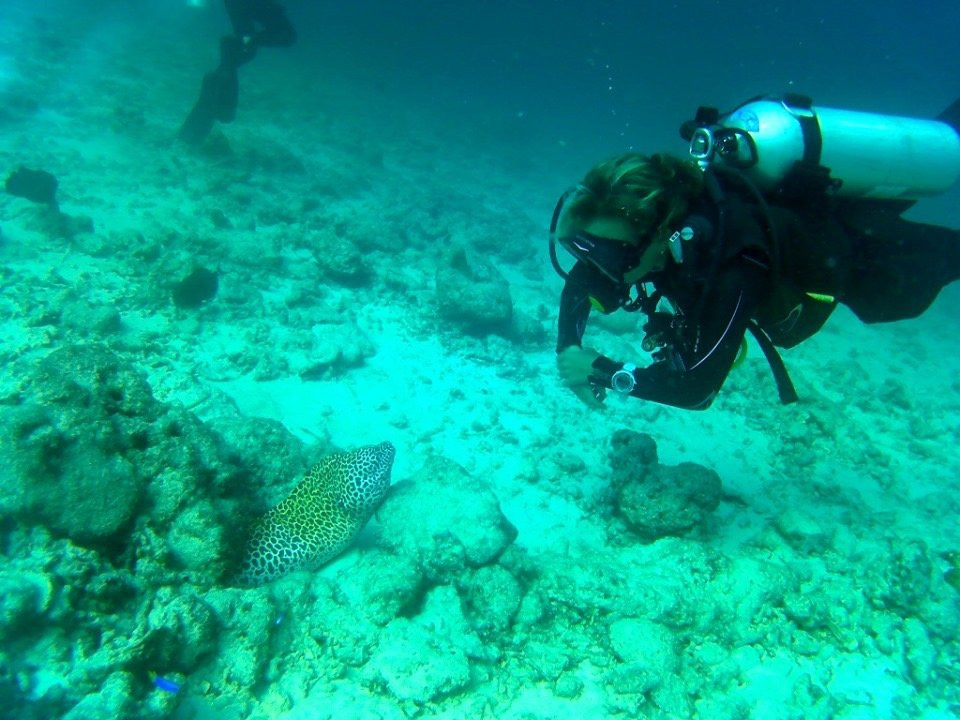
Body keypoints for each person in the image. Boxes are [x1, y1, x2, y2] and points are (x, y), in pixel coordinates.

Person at [553, 95, 960, 410]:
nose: (595, 266)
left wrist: (598, 369)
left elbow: (696, 390)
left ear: (662, 233)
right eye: (585, 247)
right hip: (814, 213)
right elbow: (583, 280)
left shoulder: (734, 262)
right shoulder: (655, 234)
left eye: (611, 255)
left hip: (865, 256)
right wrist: (569, 348)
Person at [179, 0, 296, 144]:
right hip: (243, 4)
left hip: (260, 6)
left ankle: (217, 100)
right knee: (247, 47)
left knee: (279, 38)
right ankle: (217, 104)